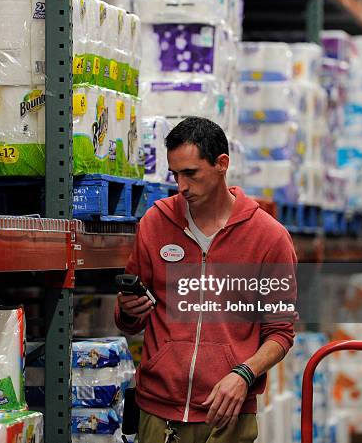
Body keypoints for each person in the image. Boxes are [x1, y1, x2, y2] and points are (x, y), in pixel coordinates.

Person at [115, 117, 297, 443]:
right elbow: (128, 321)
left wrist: (244, 374)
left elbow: (280, 333)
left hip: (226, 416)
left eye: (191, 173)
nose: (181, 186)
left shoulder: (269, 238)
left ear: (221, 164)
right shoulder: (156, 222)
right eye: (175, 174)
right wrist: (129, 310)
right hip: (157, 413)